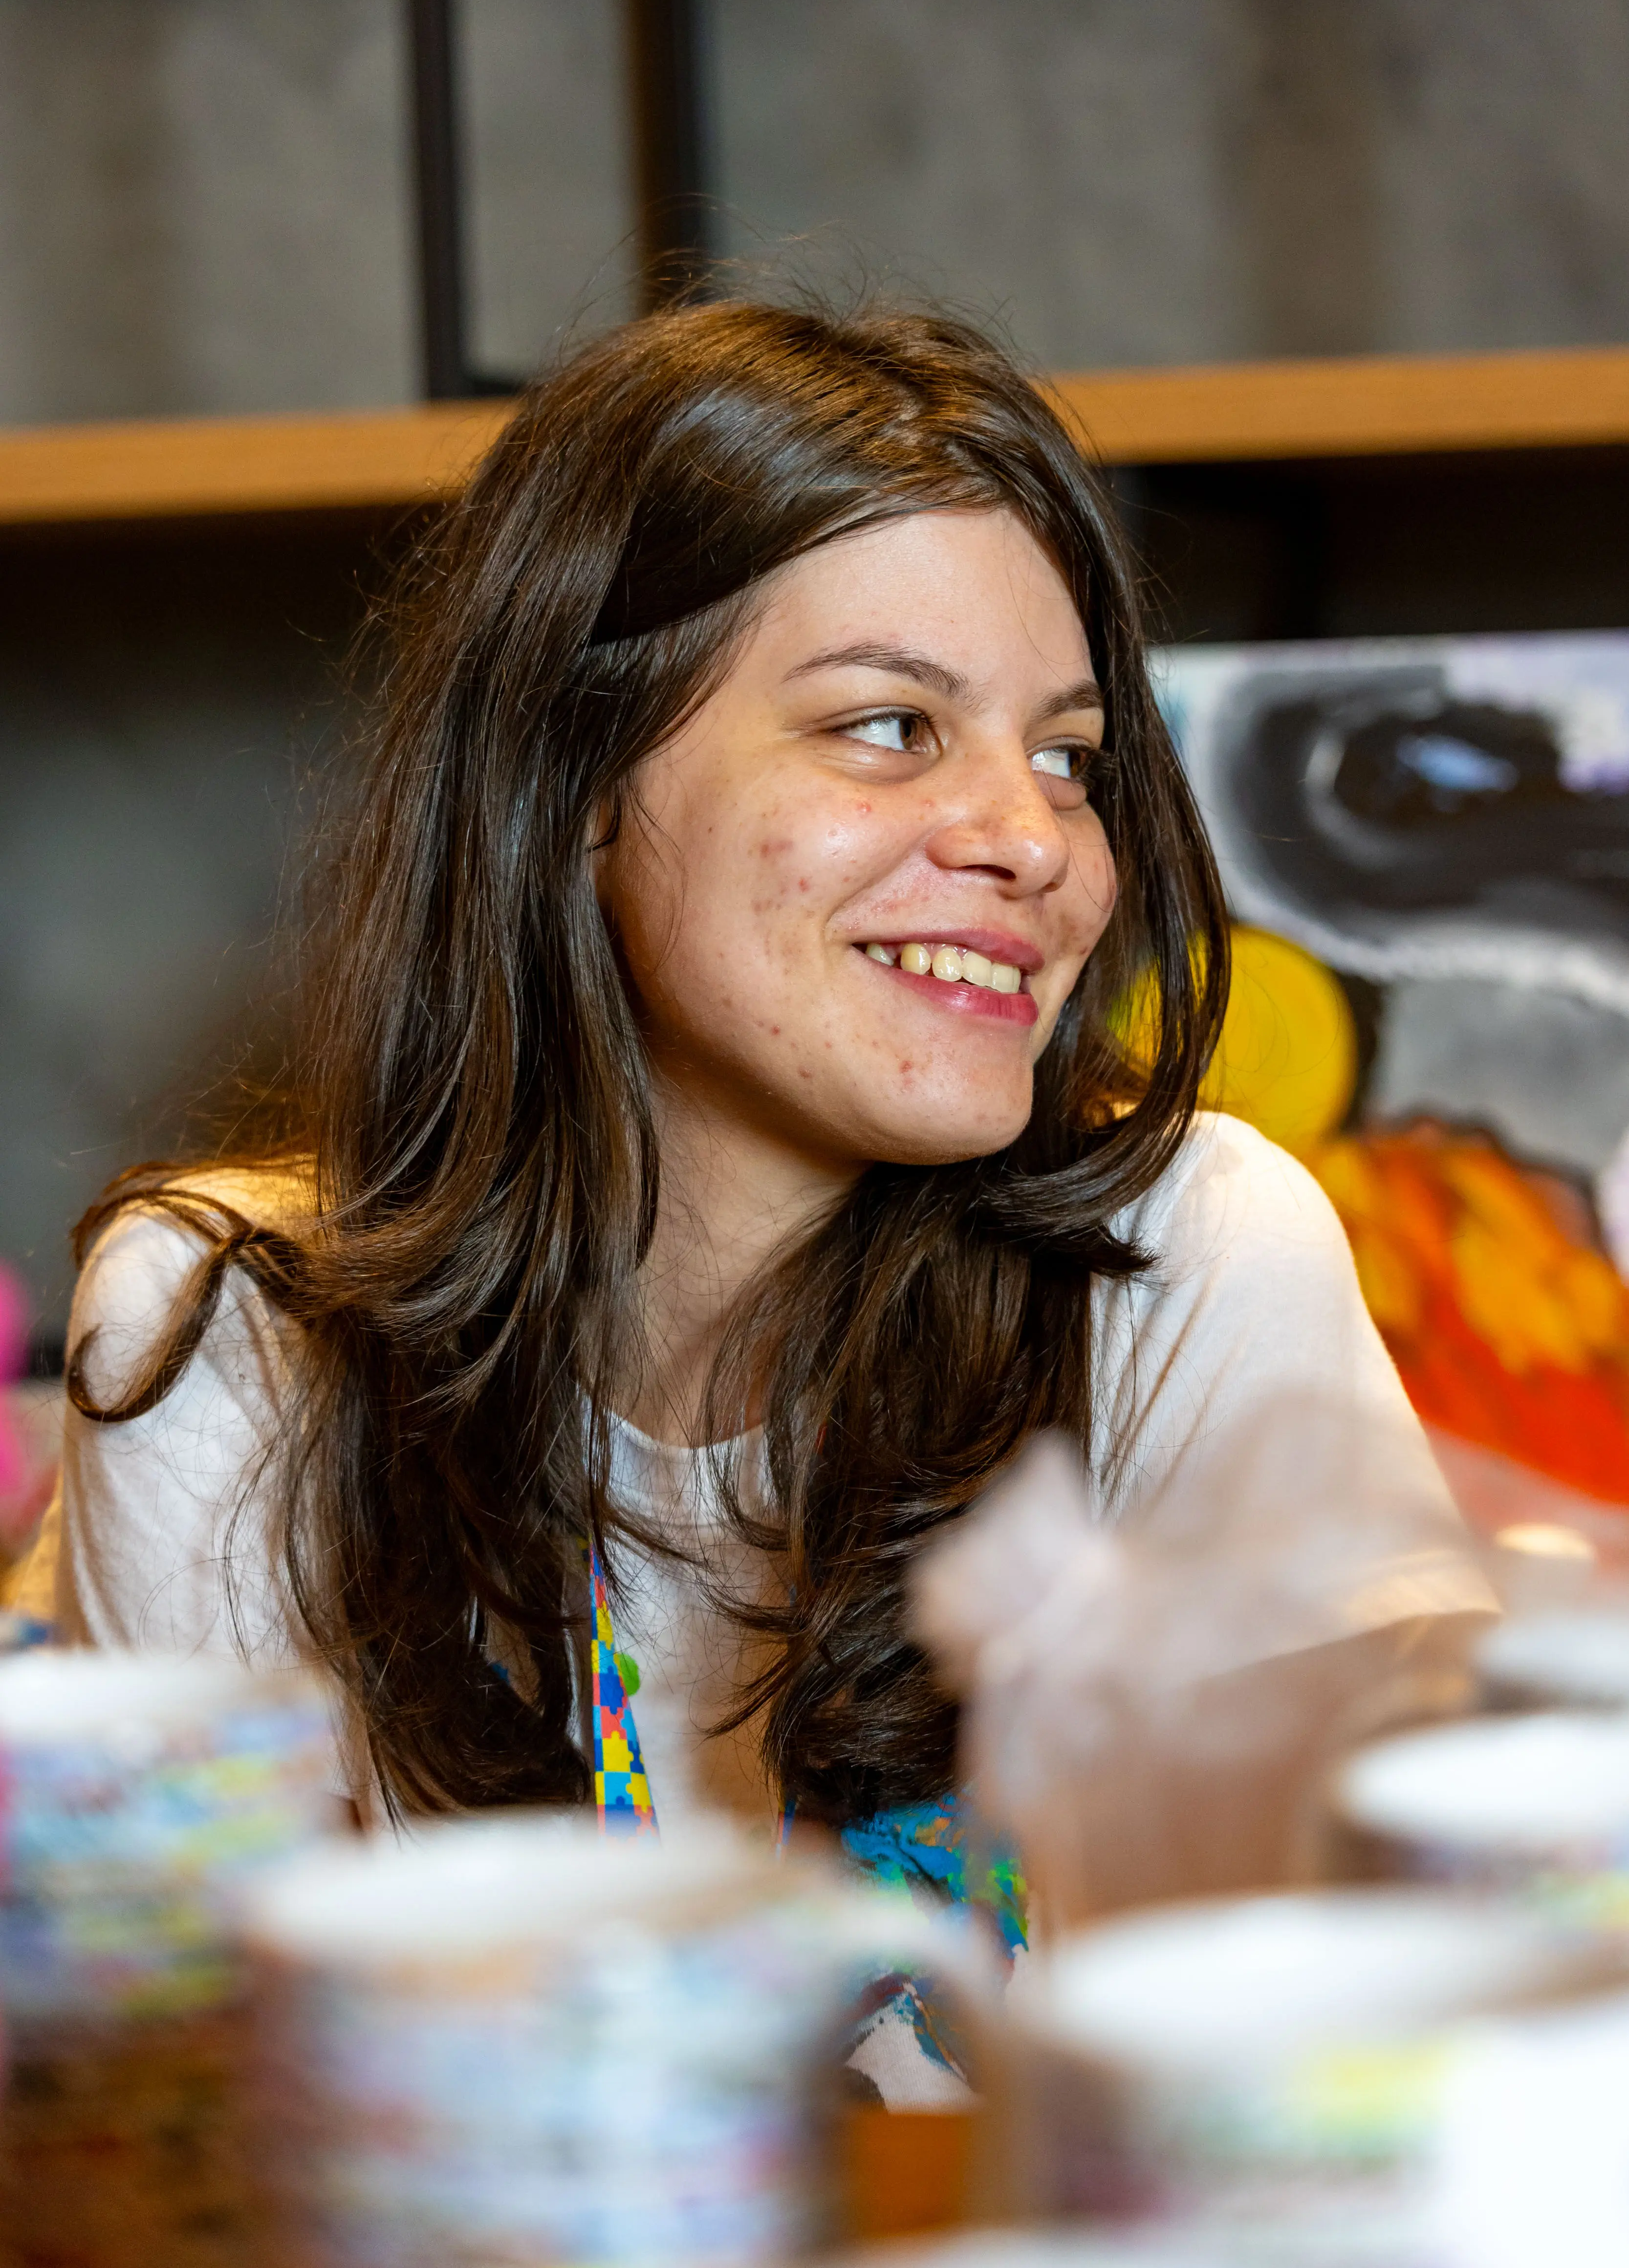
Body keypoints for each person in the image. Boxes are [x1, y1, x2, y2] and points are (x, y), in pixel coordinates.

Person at [23, 300, 1491, 2099]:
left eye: (1068, 755)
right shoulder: (229, 1344)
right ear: (573, 780)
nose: (1034, 838)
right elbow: (222, 2135)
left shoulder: (1179, 1257)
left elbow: (1398, 2054)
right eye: (887, 726)